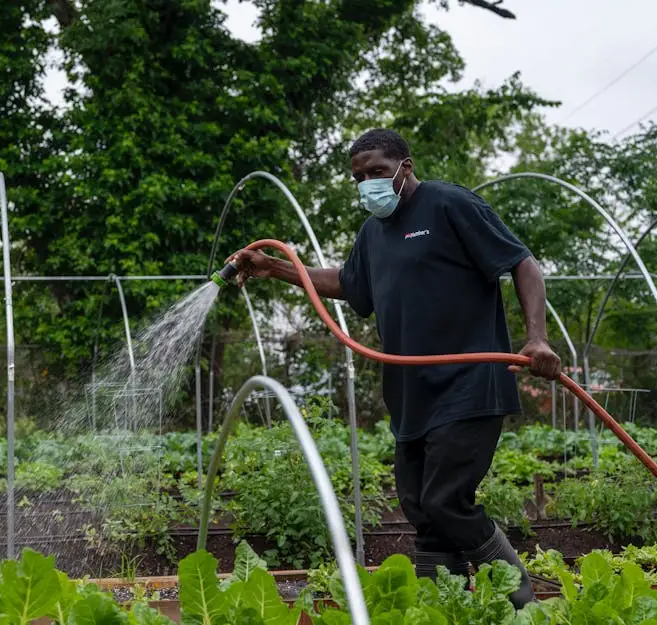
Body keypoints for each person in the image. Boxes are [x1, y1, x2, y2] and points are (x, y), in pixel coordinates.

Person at [225, 128, 561, 608]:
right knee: (421, 509)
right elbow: (349, 283)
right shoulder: (372, 233)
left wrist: (537, 337)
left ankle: (519, 601)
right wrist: (276, 268)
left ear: (405, 166)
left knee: (446, 499)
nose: (367, 183)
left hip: (470, 384)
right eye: (358, 177)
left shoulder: (450, 205)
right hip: (410, 392)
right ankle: (440, 607)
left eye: (377, 172)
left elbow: (522, 263)